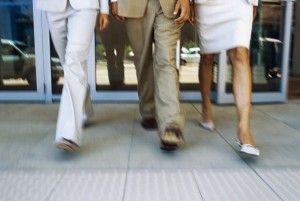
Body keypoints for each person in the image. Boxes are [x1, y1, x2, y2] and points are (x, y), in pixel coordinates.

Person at [111, 0, 190, 150]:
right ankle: (148, 110)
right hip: (134, 5)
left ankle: (171, 123)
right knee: (142, 60)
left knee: (166, 60)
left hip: (170, 4)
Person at [36, 0, 110, 151]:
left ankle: (68, 133)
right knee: (69, 65)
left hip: (85, 6)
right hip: (53, 6)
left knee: (74, 61)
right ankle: (85, 108)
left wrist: (104, 9)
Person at [192, 0, 260, 156]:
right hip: (207, 4)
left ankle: (244, 130)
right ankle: (206, 106)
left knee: (241, 53)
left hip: (239, 3)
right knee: (207, 56)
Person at [99, 5, 126, 89]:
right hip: (108, 29)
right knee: (110, 57)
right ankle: (113, 82)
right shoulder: (104, 5)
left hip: (119, 29)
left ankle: (119, 81)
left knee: (119, 58)